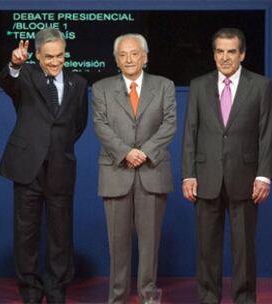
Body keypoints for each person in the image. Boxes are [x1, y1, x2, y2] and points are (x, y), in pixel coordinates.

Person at [182, 28, 272, 304]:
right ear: (214, 54)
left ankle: (244, 299)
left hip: (246, 180)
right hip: (206, 178)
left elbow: (267, 133)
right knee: (207, 250)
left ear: (242, 54)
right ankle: (208, 298)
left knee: (244, 250)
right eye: (219, 51)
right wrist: (188, 174)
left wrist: (264, 176)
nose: (225, 57)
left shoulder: (260, 86)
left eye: (231, 51)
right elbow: (191, 132)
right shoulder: (199, 85)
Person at [0, 28, 88, 303]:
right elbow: (6, 83)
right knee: (26, 234)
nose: (55, 61)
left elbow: (78, 124)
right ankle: (30, 291)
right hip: (28, 167)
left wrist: (56, 147)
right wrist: (14, 64)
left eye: (60, 55)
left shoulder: (78, 83)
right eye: (49, 56)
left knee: (61, 234)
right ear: (37, 55)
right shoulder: (25, 75)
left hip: (61, 166)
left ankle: (56, 289)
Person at [92, 33, 176, 304]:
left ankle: (149, 297)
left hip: (153, 173)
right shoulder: (101, 88)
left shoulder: (164, 85)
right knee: (117, 246)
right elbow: (101, 126)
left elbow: (169, 125)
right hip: (116, 173)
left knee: (150, 245)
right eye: (123, 55)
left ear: (145, 57)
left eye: (134, 53)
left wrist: (145, 153)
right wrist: (126, 152)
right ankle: (116, 298)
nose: (129, 59)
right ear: (116, 60)